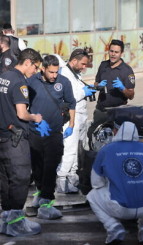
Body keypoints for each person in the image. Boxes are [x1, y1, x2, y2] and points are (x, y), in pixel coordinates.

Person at [87, 121, 143, 244]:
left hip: (121, 207)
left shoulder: (106, 150)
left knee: (91, 196)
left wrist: (110, 183)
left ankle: (113, 227)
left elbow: (96, 183)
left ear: (117, 132)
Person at [27, 55, 76, 220]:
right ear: (43, 69)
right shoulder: (31, 81)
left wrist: (71, 125)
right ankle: (40, 193)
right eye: (51, 72)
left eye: (56, 72)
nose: (54, 75)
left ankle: (47, 201)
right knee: (37, 166)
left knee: (50, 166)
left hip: (54, 132)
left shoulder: (64, 82)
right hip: (35, 132)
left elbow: (71, 103)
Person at [0, 48, 43, 237]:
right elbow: (22, 113)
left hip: (2, 136)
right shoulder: (19, 82)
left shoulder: (4, 75)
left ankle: (6, 219)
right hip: (15, 139)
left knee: (5, 179)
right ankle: (16, 222)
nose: (35, 71)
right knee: (21, 178)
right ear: (28, 62)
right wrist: (35, 118)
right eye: (35, 67)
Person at [56, 49, 94, 194]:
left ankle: (71, 179)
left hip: (80, 116)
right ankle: (62, 180)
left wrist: (88, 89)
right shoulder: (65, 73)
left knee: (76, 151)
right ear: (74, 61)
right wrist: (85, 92)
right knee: (70, 151)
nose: (85, 67)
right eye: (83, 64)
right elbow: (69, 96)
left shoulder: (74, 74)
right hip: (73, 116)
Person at [87, 39, 135, 145]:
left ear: (121, 53)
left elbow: (131, 95)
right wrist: (98, 86)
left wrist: (122, 88)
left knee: (116, 142)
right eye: (111, 51)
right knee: (93, 137)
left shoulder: (127, 70)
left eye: (116, 52)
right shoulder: (103, 65)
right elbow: (96, 83)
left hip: (118, 113)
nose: (113, 54)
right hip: (101, 111)